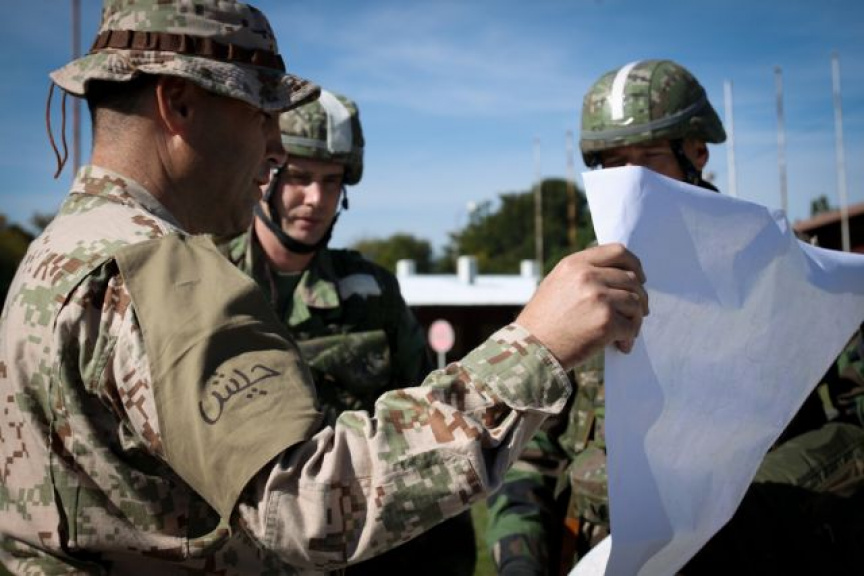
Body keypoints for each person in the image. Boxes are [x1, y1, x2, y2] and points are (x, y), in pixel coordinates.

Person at [0, 2, 649, 575]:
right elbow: (307, 505)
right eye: (262, 113)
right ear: (180, 104)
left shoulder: (62, 252)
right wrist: (534, 349)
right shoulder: (162, 270)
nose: (274, 147)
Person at [485, 58, 864, 575]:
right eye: (615, 163)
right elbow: (532, 449)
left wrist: (745, 501)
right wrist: (519, 558)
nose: (630, 179)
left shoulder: (782, 268)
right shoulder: (581, 282)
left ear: (697, 153)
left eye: (649, 158)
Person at [223, 90, 476, 575]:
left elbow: (429, 432)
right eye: (299, 177)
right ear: (265, 174)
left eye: (331, 180)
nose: (316, 200)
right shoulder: (208, 279)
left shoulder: (372, 293)